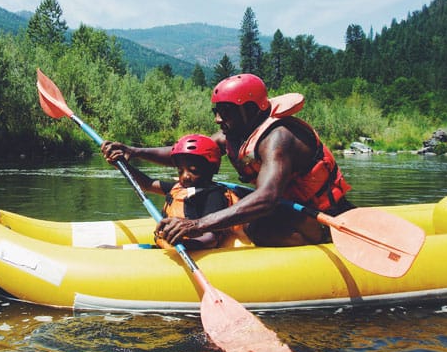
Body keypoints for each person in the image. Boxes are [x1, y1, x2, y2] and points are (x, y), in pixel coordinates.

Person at [102, 73, 354, 247]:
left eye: (226, 112)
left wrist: (198, 224)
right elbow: (189, 154)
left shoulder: (278, 139)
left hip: (323, 216)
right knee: (236, 210)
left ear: (252, 110)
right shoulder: (235, 133)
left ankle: (320, 243)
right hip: (287, 209)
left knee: (257, 227)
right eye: (217, 112)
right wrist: (134, 151)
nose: (218, 119)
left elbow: (266, 198)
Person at [108, 133, 243, 249]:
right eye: (180, 171)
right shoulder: (180, 188)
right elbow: (148, 184)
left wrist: (186, 245)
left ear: (212, 169)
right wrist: (123, 166)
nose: (185, 176)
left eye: (193, 171)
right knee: (105, 249)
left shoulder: (213, 195)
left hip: (188, 250)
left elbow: (211, 237)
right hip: (165, 249)